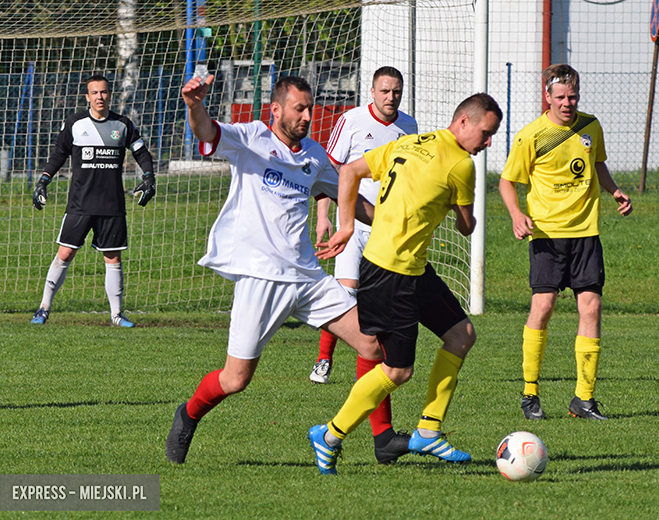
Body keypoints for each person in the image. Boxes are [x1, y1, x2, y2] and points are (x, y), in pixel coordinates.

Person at [165, 74, 409, 466]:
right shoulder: (250, 139)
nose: (308, 116)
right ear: (275, 109)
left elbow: (345, 194)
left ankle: (382, 438)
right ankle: (189, 414)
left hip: (308, 278)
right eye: (299, 108)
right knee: (235, 380)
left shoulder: (313, 154)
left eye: (310, 108)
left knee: (374, 344)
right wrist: (195, 104)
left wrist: (387, 222)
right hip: (261, 279)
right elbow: (207, 130)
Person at [309, 93, 503, 475]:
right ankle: (329, 435)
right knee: (397, 371)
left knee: (461, 334)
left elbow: (348, 172)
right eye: (486, 133)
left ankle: (429, 430)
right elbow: (466, 229)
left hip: (410, 268)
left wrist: (348, 225)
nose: (488, 143)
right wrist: (454, 205)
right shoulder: (461, 165)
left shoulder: (410, 141)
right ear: (464, 121)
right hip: (390, 274)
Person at [498, 64, 633, 422]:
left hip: (586, 233)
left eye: (572, 96)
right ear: (547, 96)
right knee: (543, 308)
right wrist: (515, 214)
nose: (567, 103)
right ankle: (530, 394)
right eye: (560, 97)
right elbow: (507, 181)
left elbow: (597, 165)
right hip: (547, 235)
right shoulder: (532, 136)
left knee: (591, 309)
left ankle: (583, 399)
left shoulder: (590, 126)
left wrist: (614, 190)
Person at [310, 66, 418, 385]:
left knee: (375, 300)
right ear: (372, 91)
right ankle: (324, 360)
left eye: (396, 91)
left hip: (387, 227)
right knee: (345, 293)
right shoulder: (352, 121)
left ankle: (368, 370)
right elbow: (329, 173)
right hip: (352, 222)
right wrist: (323, 216)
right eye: (384, 91)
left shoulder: (408, 127)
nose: (390, 97)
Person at [30, 74, 156, 327]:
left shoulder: (123, 124)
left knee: (113, 258)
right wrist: (44, 180)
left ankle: (116, 315)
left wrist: (149, 176)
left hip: (112, 205)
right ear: (87, 97)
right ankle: (43, 309)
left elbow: (142, 152)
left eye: (104, 92)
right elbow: (59, 154)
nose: (100, 97)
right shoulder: (75, 123)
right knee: (64, 254)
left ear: (109, 95)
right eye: (95, 93)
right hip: (80, 203)